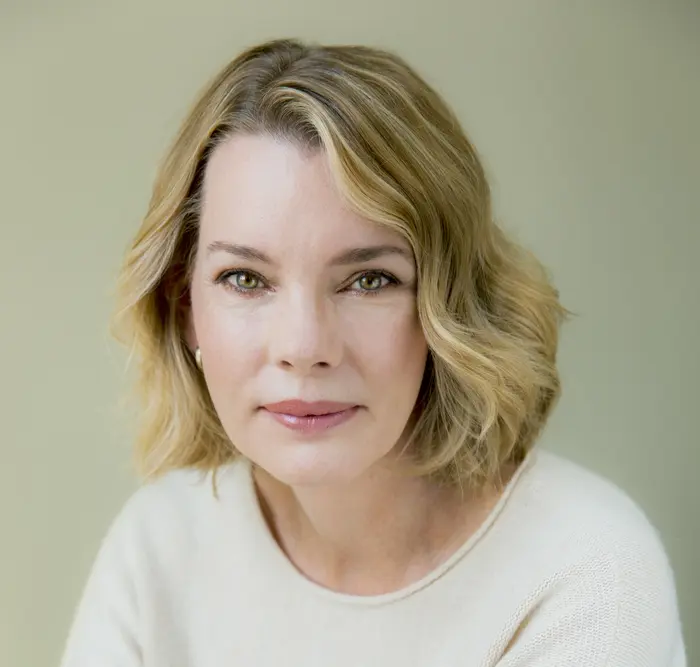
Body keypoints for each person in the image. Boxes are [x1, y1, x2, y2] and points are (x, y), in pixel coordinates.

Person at [60, 38, 686, 666]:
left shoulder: (585, 573)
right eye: (246, 279)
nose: (304, 347)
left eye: (369, 280)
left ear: (449, 308)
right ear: (185, 308)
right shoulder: (159, 546)